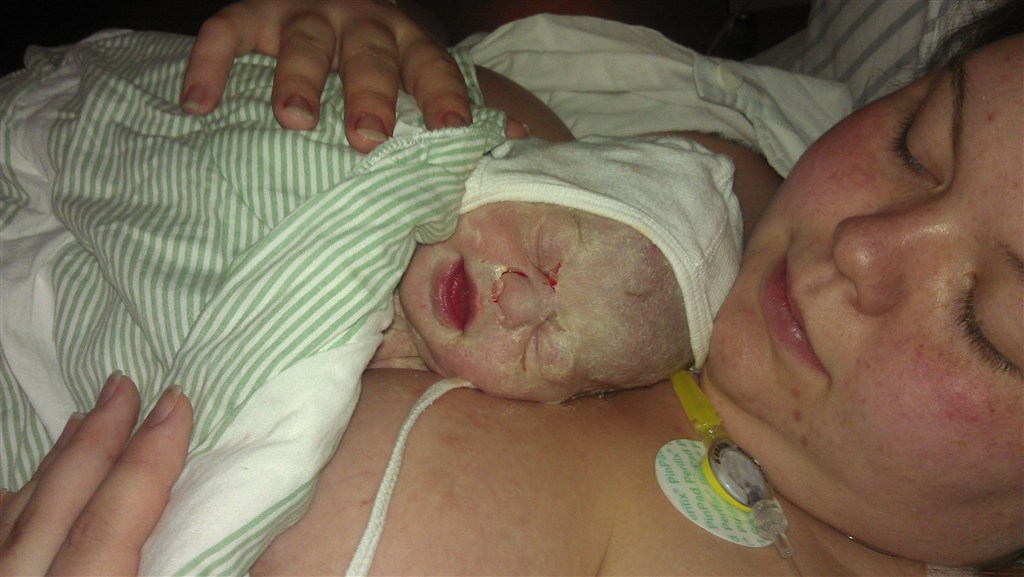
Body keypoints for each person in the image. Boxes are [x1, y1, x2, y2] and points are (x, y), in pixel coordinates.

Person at [3, 0, 1021, 575]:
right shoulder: (693, 192)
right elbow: (482, 120)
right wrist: (364, 64)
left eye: (992, 320)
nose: (864, 245)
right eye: (915, 140)